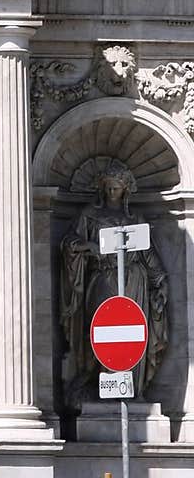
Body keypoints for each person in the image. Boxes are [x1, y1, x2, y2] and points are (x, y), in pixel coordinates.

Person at [60, 161, 169, 406]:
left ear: (125, 190)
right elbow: (69, 242)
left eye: (116, 188)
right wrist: (89, 246)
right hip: (102, 277)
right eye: (108, 188)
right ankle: (103, 387)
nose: (112, 192)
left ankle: (132, 389)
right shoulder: (89, 215)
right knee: (101, 330)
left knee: (133, 332)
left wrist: (159, 279)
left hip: (135, 279)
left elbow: (147, 252)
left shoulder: (135, 218)